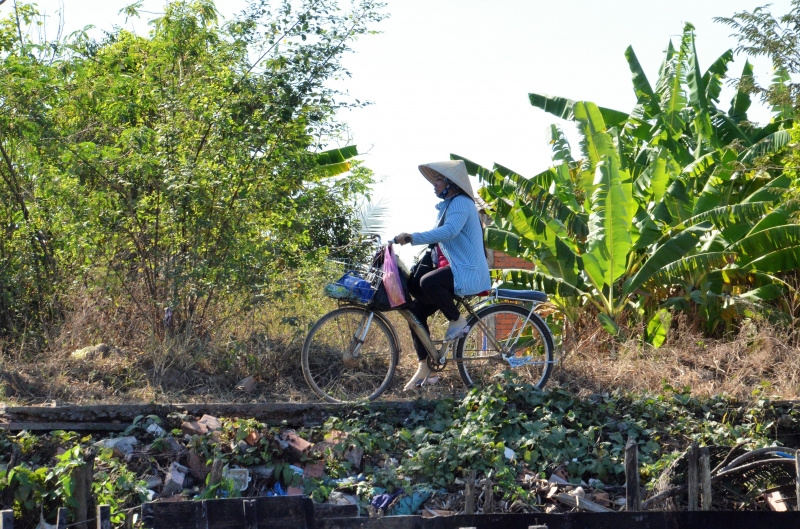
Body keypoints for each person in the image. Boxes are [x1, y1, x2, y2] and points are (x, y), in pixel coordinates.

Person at [393, 160, 491, 390]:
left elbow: (448, 232)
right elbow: (439, 241)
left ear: (451, 184)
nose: (434, 185)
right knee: (415, 311)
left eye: (438, 180)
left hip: (468, 272)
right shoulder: (450, 205)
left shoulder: (461, 202)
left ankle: (457, 320)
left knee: (429, 282)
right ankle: (425, 368)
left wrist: (412, 236)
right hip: (458, 269)